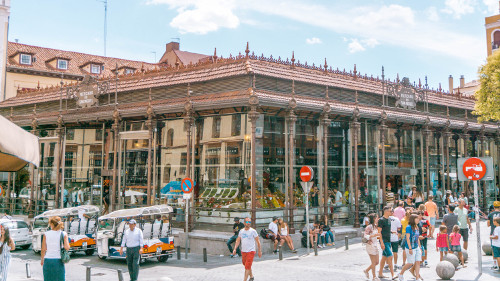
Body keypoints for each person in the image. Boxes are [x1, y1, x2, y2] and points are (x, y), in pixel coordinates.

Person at [41, 216, 70, 281]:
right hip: (58, 260)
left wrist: (42, 260)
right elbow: (67, 247)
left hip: (48, 260)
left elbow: (43, 249)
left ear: (51, 224)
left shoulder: (46, 234)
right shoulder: (63, 234)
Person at [233, 217, 262, 281]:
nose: (248, 223)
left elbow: (258, 241)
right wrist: (235, 249)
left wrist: (259, 251)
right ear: (244, 223)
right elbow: (238, 240)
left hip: (251, 251)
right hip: (243, 251)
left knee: (247, 266)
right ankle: (251, 276)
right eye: (247, 222)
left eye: (249, 222)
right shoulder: (241, 231)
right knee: (246, 265)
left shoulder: (253, 231)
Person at [398, 214, 422, 281]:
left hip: (416, 246)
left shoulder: (416, 227)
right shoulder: (408, 227)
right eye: (416, 218)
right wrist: (410, 248)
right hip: (410, 247)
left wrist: (420, 247)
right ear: (413, 219)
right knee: (410, 263)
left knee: (417, 262)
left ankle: (417, 277)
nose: (418, 220)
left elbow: (417, 238)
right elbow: (408, 238)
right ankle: (401, 274)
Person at [377, 206, 396, 280]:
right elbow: (379, 232)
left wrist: (391, 231)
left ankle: (380, 273)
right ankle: (393, 274)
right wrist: (381, 242)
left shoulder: (389, 219)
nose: (392, 212)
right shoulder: (381, 220)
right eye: (390, 211)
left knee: (384, 258)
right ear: (386, 211)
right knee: (390, 256)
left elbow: (386, 229)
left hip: (388, 240)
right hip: (384, 241)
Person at [363, 213, 381, 280]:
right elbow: (365, 236)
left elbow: (378, 236)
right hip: (370, 245)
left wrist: (379, 239)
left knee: (376, 262)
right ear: (374, 218)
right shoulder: (369, 227)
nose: (378, 219)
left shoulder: (376, 226)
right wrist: (373, 235)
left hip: (376, 245)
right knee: (373, 262)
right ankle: (374, 277)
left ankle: (366, 270)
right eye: (377, 217)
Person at [487, 201, 500, 270]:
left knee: (494, 248)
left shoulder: (490, 214)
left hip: (493, 233)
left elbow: (488, 224)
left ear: (494, 207)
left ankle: (495, 264)